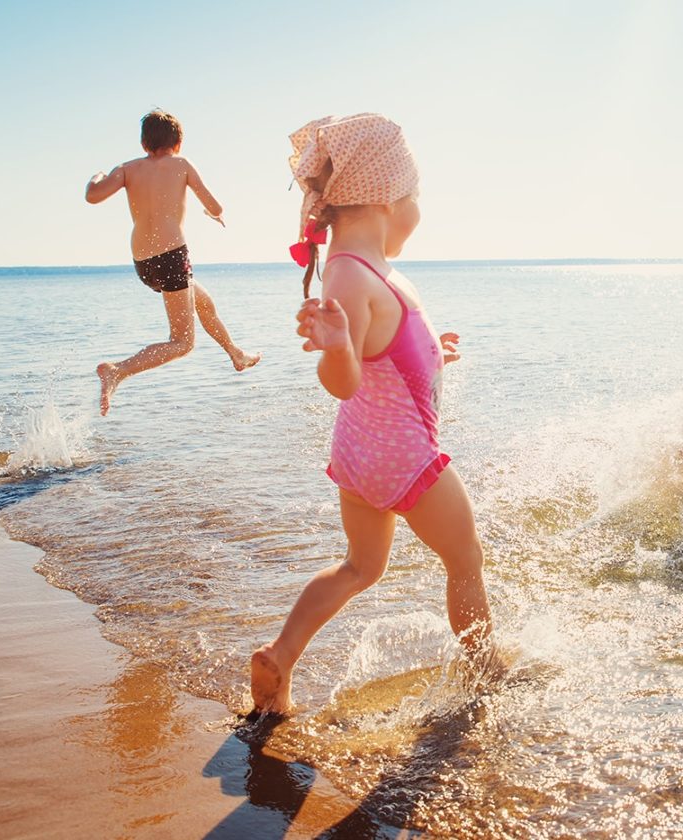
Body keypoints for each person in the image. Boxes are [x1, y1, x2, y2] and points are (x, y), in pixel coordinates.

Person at [249, 114, 493, 717]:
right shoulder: (348, 273)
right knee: (465, 559)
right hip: (402, 458)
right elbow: (345, 378)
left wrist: (438, 351)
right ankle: (486, 675)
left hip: (360, 457)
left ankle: (281, 656)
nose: (419, 211)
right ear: (387, 199)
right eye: (417, 197)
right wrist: (335, 346)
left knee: (360, 567)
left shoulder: (366, 269)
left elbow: (388, 353)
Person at [85, 110, 259, 415]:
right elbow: (216, 206)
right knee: (182, 343)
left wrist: (98, 175)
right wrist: (211, 214)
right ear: (178, 142)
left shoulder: (126, 169)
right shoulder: (182, 164)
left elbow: (93, 196)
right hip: (171, 256)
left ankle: (236, 353)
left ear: (143, 143)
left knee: (203, 302)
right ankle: (117, 371)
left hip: (144, 263)